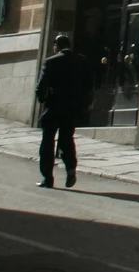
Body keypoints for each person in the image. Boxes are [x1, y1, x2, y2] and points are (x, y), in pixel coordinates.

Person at [34, 34, 94, 188]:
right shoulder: (82, 61)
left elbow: (41, 86)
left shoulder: (50, 62)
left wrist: (42, 100)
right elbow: (89, 86)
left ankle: (48, 178)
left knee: (48, 141)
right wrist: (84, 104)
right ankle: (71, 169)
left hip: (54, 107)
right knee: (67, 140)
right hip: (72, 108)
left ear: (56, 46)